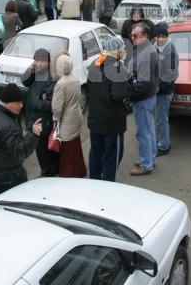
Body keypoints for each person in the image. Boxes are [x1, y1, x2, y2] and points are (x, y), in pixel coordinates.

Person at [0, 83, 42, 199]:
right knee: (18, 196)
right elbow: (20, 152)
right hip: (7, 172)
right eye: (18, 103)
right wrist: (33, 134)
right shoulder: (7, 126)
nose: (22, 106)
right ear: (8, 103)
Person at [87, 36, 130, 181]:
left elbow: (90, 89)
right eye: (123, 49)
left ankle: (95, 180)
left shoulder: (95, 64)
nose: (124, 51)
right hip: (112, 123)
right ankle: (108, 184)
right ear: (117, 51)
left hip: (95, 120)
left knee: (96, 152)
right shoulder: (118, 69)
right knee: (112, 155)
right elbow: (119, 96)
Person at [128, 21, 159, 175]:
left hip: (143, 99)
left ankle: (146, 164)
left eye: (136, 35)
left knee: (143, 133)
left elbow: (144, 83)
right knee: (149, 130)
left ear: (145, 36)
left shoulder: (145, 54)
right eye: (131, 35)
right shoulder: (145, 49)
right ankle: (150, 158)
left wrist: (130, 93)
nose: (132, 37)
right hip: (148, 97)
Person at [21, 49, 56, 177]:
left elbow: (51, 103)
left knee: (44, 148)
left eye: (42, 61)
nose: (39, 63)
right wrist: (29, 72)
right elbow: (24, 81)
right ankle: (46, 169)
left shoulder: (51, 76)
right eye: (37, 60)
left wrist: (35, 102)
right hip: (32, 116)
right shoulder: (35, 71)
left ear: (48, 62)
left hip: (43, 119)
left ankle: (48, 172)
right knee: (39, 148)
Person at [52, 52, 87, 177]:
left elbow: (57, 108)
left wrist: (55, 119)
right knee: (76, 145)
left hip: (66, 120)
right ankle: (80, 169)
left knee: (67, 149)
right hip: (77, 116)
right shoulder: (75, 79)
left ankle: (69, 174)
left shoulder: (61, 84)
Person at [154, 23, 179, 156]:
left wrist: (158, 86)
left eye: (163, 36)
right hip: (156, 90)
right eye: (158, 36)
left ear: (167, 36)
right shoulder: (155, 47)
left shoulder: (171, 50)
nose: (160, 38)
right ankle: (159, 141)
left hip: (164, 91)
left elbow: (172, 73)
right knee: (158, 119)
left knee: (161, 119)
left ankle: (164, 146)